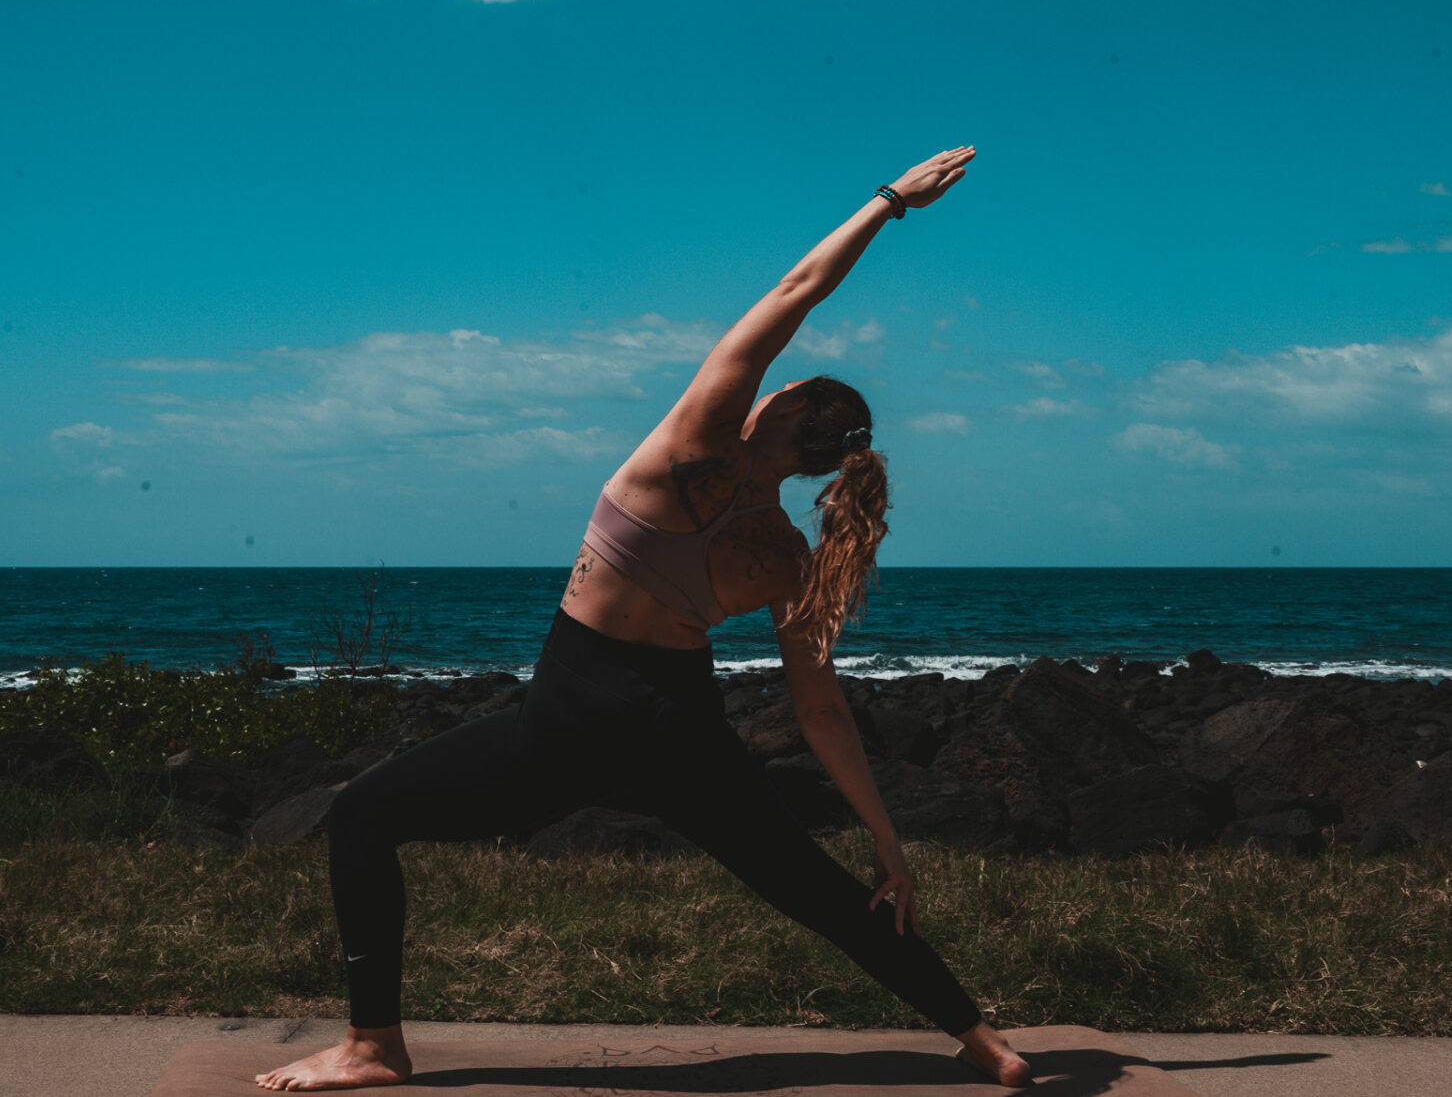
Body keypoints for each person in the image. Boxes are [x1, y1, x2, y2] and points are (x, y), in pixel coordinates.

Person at [257, 146, 1030, 1091]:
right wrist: (884, 838)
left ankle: (373, 1048)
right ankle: (986, 1043)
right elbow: (820, 709)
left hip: (572, 720)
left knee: (362, 816)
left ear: (782, 404)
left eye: (780, 388)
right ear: (828, 465)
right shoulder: (788, 556)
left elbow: (797, 290)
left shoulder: (689, 446)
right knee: (815, 892)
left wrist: (888, 202)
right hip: (681, 730)